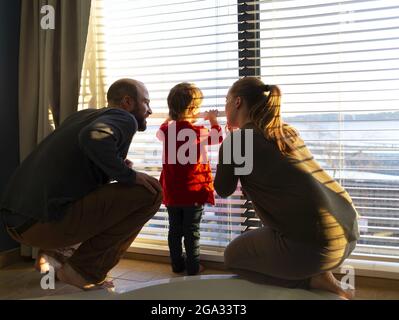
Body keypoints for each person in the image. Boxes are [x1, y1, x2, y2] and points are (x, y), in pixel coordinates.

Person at [0, 78, 163, 290]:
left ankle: (54, 254)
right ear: (127, 102)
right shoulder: (125, 118)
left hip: (16, 221)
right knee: (150, 193)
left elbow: (77, 157)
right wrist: (129, 175)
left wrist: (115, 166)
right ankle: (84, 271)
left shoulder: (83, 115)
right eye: (146, 103)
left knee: (106, 195)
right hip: (41, 223)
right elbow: (93, 137)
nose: (150, 110)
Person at [214, 77, 360, 299]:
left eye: (226, 100)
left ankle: (313, 278)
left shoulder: (238, 141)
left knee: (233, 258)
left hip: (318, 247)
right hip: (349, 232)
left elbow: (223, 189)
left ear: (237, 102)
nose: (224, 108)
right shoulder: (287, 131)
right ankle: (319, 271)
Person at [157, 83, 223, 275]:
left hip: (172, 192)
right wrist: (212, 119)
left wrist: (172, 117)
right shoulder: (198, 132)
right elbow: (218, 138)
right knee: (192, 231)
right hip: (193, 192)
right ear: (193, 109)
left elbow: (161, 130)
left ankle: (177, 265)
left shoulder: (167, 130)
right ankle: (193, 267)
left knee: (174, 231)